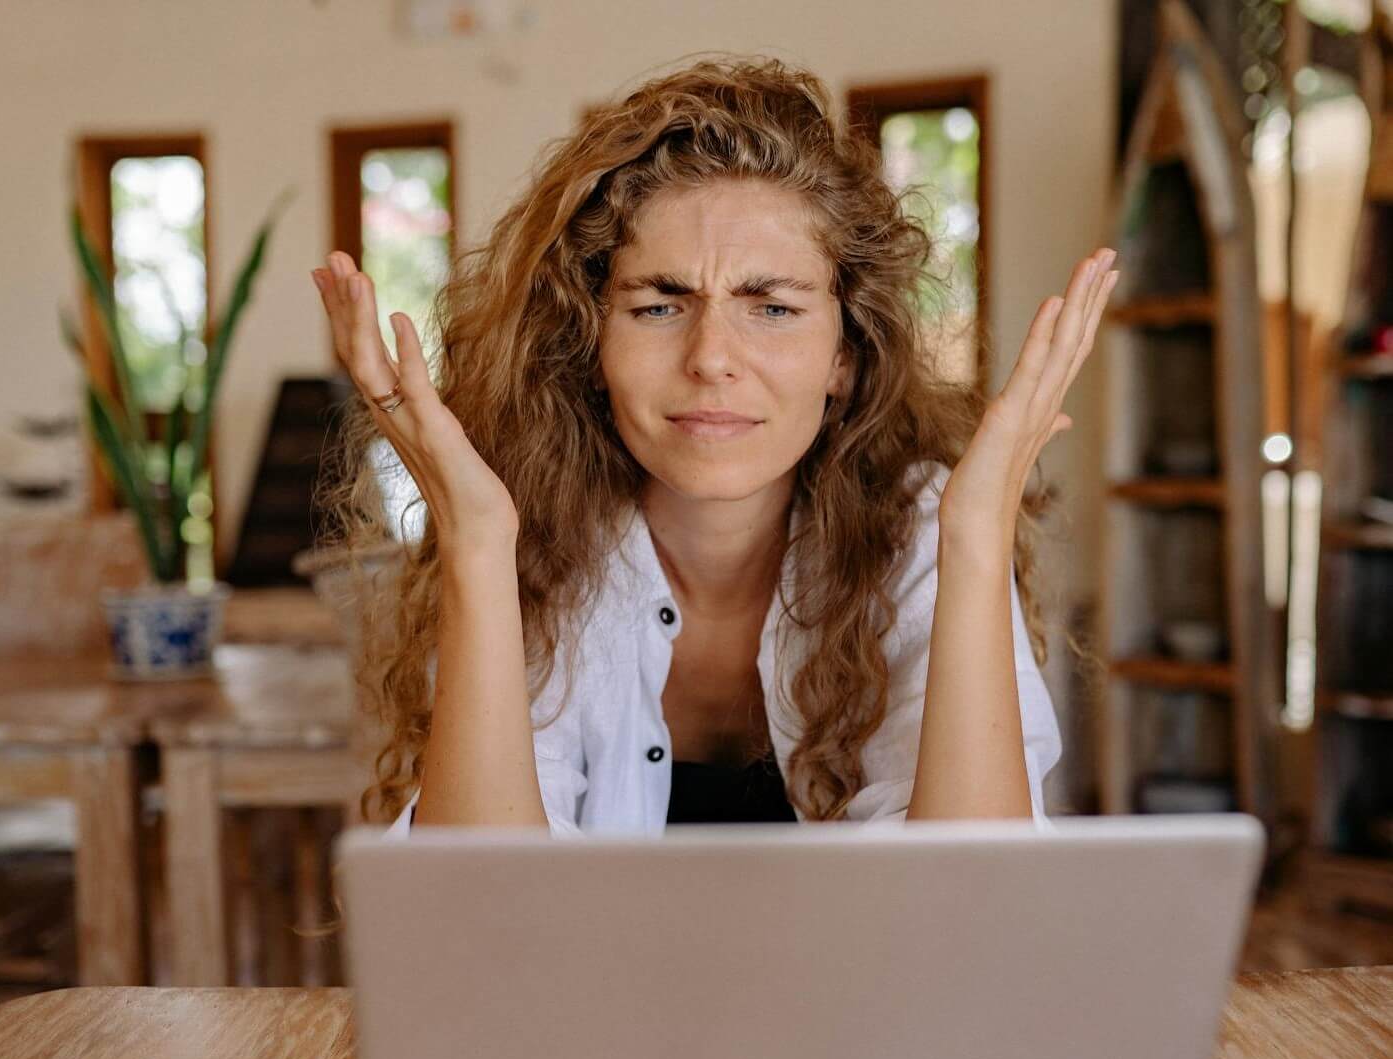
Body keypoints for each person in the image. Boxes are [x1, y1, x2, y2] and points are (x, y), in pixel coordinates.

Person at [310, 57, 1117, 837]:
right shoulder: (531, 535)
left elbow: (972, 911)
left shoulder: (917, 526)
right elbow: (481, 916)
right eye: (660, 306)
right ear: (591, 345)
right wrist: (478, 544)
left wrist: (975, 532)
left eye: (771, 308)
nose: (711, 358)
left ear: (845, 354)